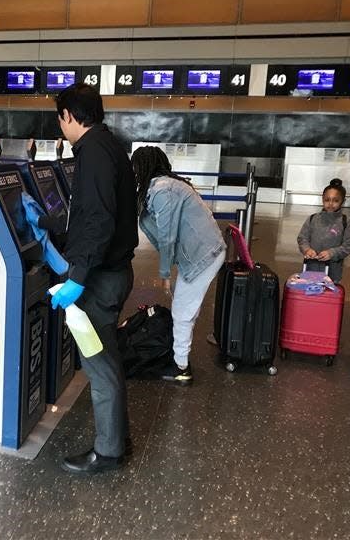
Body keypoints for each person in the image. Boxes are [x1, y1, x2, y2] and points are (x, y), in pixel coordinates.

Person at [24, 83, 137, 474]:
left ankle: (108, 452)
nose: (61, 126)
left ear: (70, 116)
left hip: (99, 281)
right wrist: (46, 220)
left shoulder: (93, 155)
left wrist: (79, 278)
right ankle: (118, 437)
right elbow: (86, 216)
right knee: (107, 359)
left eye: (61, 118)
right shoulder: (109, 148)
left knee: (98, 365)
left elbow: (99, 221)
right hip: (112, 273)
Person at [130, 145, 226, 386]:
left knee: (183, 312)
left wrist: (164, 273)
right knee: (183, 308)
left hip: (203, 255)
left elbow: (168, 235)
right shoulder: (166, 186)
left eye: (135, 167)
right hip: (202, 252)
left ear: (142, 167)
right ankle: (179, 357)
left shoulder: (163, 190)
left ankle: (181, 367)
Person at [296, 178, 350, 282]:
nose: (330, 204)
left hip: (333, 270)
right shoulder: (313, 218)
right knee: (309, 292)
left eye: (336, 200)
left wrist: (332, 253)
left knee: (328, 295)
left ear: (343, 201)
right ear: (322, 199)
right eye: (327, 200)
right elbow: (302, 238)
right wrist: (307, 249)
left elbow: (349, 245)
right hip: (310, 267)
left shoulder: (347, 221)